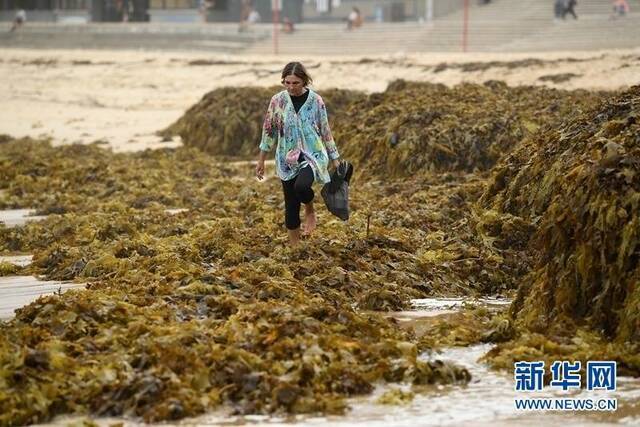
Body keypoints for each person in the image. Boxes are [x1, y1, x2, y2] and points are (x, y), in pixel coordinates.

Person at [255, 62, 341, 246]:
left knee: (301, 187)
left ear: (304, 81)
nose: (291, 87)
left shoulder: (316, 101)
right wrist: (261, 160)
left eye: (295, 83)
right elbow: (269, 131)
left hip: (313, 153)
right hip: (286, 157)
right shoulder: (277, 101)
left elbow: (325, 130)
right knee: (291, 204)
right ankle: (294, 246)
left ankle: (309, 208)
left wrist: (335, 158)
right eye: (287, 83)